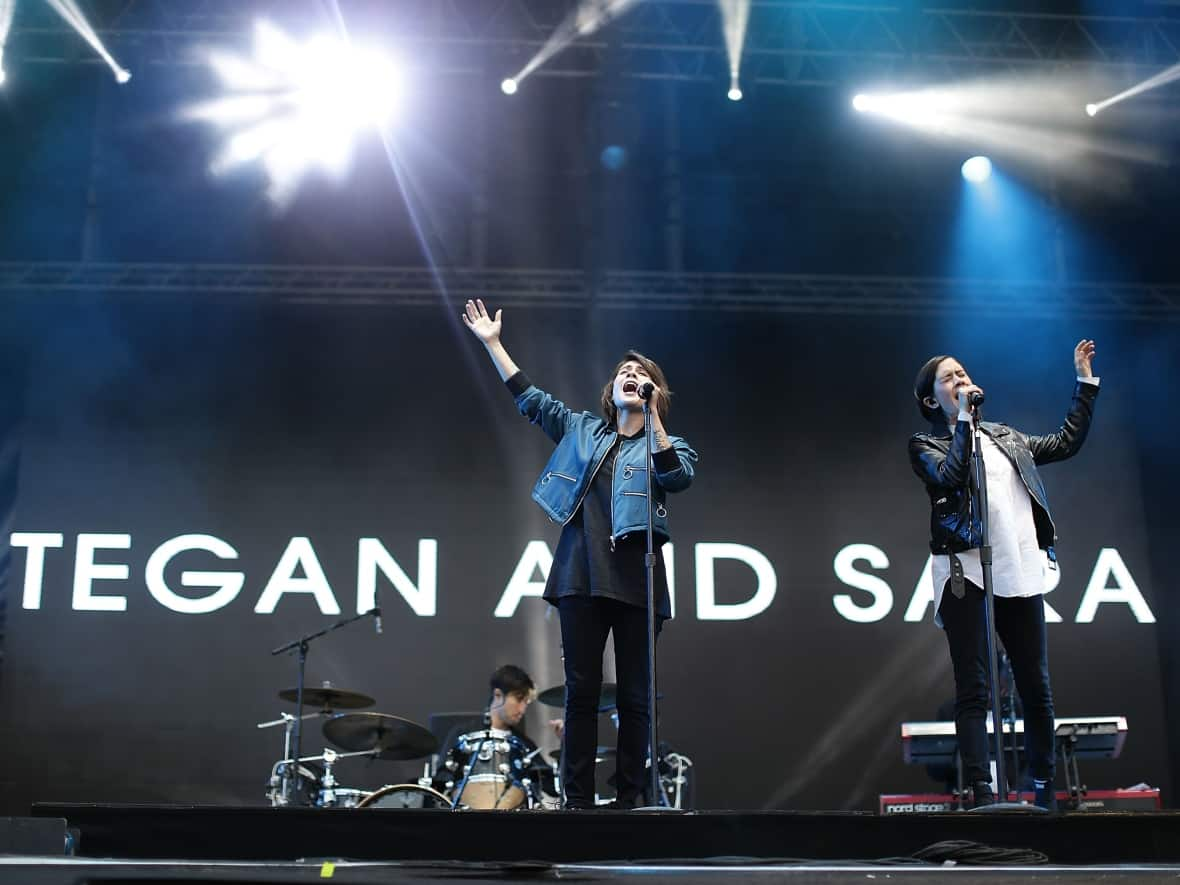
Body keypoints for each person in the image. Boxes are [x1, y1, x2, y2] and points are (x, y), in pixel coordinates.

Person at [462, 298, 698, 810]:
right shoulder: (583, 430)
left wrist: (654, 416)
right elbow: (530, 400)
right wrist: (494, 344)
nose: (631, 376)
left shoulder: (667, 443)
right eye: (624, 373)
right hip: (580, 575)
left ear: (654, 391)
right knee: (582, 693)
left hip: (638, 578)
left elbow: (677, 476)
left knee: (637, 698)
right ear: (611, 391)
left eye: (641, 375)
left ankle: (634, 797)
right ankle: (577, 800)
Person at [909, 340, 1099, 810]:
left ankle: (1041, 786)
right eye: (948, 378)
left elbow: (1064, 443)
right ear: (933, 400)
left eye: (962, 372)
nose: (960, 379)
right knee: (973, 684)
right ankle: (980, 790)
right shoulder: (926, 444)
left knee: (1034, 681)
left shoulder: (1006, 437)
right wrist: (965, 424)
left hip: (1016, 561)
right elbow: (951, 477)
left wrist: (1085, 383)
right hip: (963, 567)